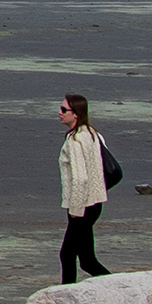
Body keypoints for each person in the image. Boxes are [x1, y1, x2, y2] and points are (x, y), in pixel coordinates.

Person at [57, 93, 111, 280]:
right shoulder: (93, 134)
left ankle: (66, 298)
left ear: (76, 114)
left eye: (64, 110)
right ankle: (114, 287)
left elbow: (81, 178)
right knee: (87, 260)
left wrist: (76, 209)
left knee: (67, 255)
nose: (60, 112)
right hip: (95, 204)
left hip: (82, 205)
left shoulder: (75, 140)